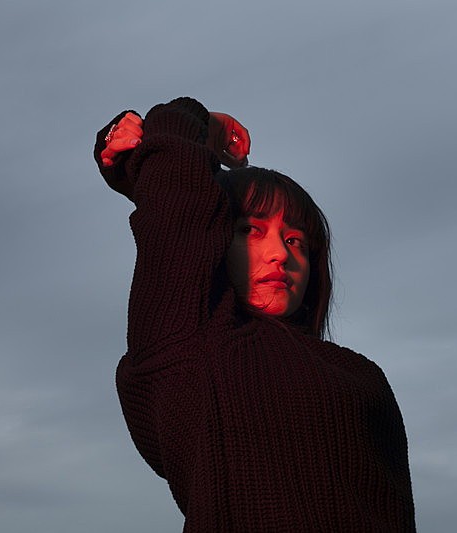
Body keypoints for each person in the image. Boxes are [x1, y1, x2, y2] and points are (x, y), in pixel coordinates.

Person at [94, 97, 415, 531]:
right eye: (250, 230)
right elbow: (177, 211)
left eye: (296, 240)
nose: (280, 254)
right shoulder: (190, 341)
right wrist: (198, 125)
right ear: (216, 238)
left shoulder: (364, 377)